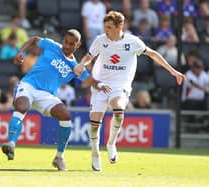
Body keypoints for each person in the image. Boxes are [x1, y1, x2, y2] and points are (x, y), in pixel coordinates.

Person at [74, 11, 185, 171]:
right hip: (100, 84)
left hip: (120, 85)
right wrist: (81, 64)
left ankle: (111, 144)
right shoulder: (100, 40)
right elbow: (88, 56)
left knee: (119, 110)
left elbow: (153, 54)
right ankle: (95, 153)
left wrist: (173, 71)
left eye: (109, 27)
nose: (106, 30)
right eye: (105, 27)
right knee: (94, 124)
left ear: (120, 26)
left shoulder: (133, 42)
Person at [1, 29, 111, 171]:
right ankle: (11, 144)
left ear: (77, 45)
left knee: (65, 116)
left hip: (46, 95)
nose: (66, 46)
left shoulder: (75, 66)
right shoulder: (52, 45)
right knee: (22, 106)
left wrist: (100, 85)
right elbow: (34, 39)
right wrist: (20, 52)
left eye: (71, 44)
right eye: (65, 42)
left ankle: (59, 157)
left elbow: (88, 79)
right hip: (29, 85)